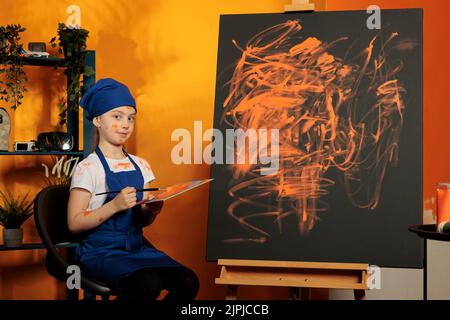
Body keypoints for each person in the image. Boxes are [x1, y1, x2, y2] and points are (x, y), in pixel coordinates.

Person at [67, 78, 199, 300]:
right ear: (98, 120)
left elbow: (142, 220)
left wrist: (151, 211)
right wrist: (114, 206)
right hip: (101, 252)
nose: (126, 124)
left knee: (188, 281)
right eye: (117, 116)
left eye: (131, 118)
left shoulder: (141, 165)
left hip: (136, 248)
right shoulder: (88, 167)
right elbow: (74, 223)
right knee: (148, 284)